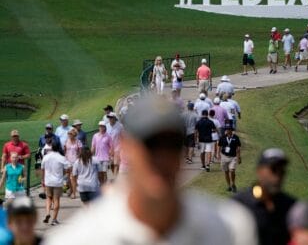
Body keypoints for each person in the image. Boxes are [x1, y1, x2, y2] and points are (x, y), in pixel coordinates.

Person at [45, 96, 257, 245]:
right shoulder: (80, 239)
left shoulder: (230, 229)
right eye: (151, 146)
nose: (162, 159)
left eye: (172, 145)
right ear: (127, 148)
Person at [233, 148, 296, 245]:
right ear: (259, 171)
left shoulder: (291, 205)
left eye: (282, 171)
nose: (278, 176)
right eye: (274, 169)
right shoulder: (240, 204)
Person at [41, 144, 71, 226]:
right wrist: (63, 173)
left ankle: (47, 213)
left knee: (48, 198)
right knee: (56, 200)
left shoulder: (46, 157)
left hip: (48, 181)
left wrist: (42, 179)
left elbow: (42, 169)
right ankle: (54, 219)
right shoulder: (61, 157)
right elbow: (68, 167)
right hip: (58, 181)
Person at [218, 125, 241, 193]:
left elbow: (238, 148)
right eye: (226, 129)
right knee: (226, 172)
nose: (227, 130)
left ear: (231, 130)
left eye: (229, 129)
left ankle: (233, 184)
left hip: (233, 157)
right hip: (224, 156)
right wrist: (218, 155)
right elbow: (219, 146)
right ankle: (229, 186)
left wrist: (239, 157)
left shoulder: (236, 137)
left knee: (232, 170)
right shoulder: (223, 137)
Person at [64, 128, 82, 199]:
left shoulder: (78, 142)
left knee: (72, 178)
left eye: (71, 134)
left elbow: (80, 152)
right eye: (69, 134)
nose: (69, 135)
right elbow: (65, 151)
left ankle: (74, 193)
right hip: (67, 161)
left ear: (74, 135)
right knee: (68, 178)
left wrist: (78, 159)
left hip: (75, 162)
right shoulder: (66, 141)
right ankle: (71, 190)